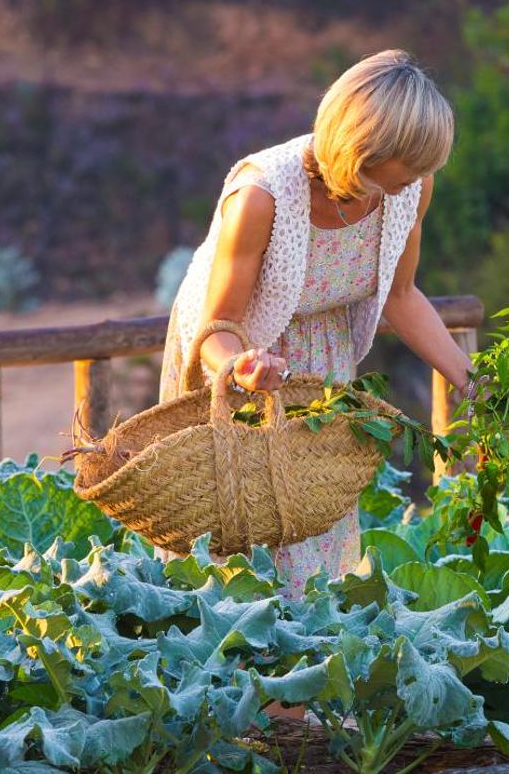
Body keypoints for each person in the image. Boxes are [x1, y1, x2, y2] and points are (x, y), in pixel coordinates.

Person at [159, 49, 473, 601]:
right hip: (238, 360)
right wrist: (242, 367)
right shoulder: (262, 195)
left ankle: (305, 677)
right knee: (239, 537)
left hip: (322, 360)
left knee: (314, 530)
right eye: (410, 168)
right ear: (362, 151)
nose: (419, 182)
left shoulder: (409, 187)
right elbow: (218, 326)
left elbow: (400, 295)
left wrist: (471, 382)